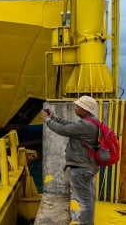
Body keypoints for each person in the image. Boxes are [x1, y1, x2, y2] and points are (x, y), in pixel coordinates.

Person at [41, 95, 100, 225]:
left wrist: (47, 120)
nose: (75, 108)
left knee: (85, 201)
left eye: (78, 107)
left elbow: (63, 129)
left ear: (86, 109)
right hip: (87, 166)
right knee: (87, 198)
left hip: (82, 168)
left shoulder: (85, 125)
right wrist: (54, 117)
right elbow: (70, 124)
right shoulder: (91, 121)